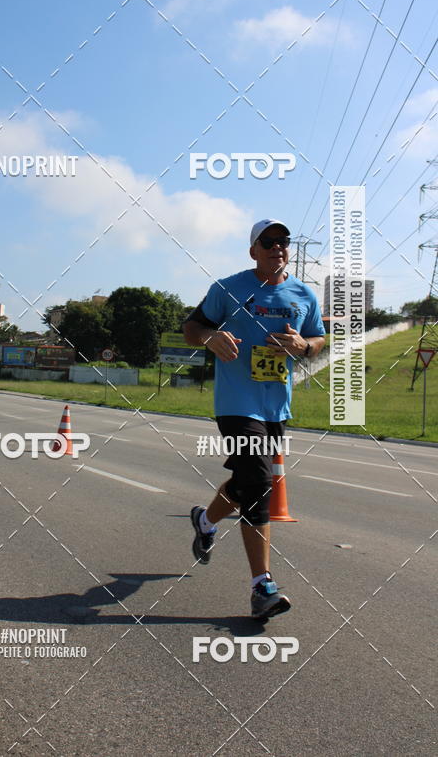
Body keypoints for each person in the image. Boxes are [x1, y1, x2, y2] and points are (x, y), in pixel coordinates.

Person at [183, 220, 326, 620]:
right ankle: (262, 587)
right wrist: (209, 337)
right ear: (253, 251)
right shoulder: (228, 288)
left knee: (248, 481)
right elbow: (192, 327)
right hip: (236, 403)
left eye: (283, 241)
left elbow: (317, 339)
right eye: (268, 242)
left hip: (276, 405)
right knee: (260, 483)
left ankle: (205, 521)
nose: (278, 247)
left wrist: (304, 345)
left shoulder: (303, 294)